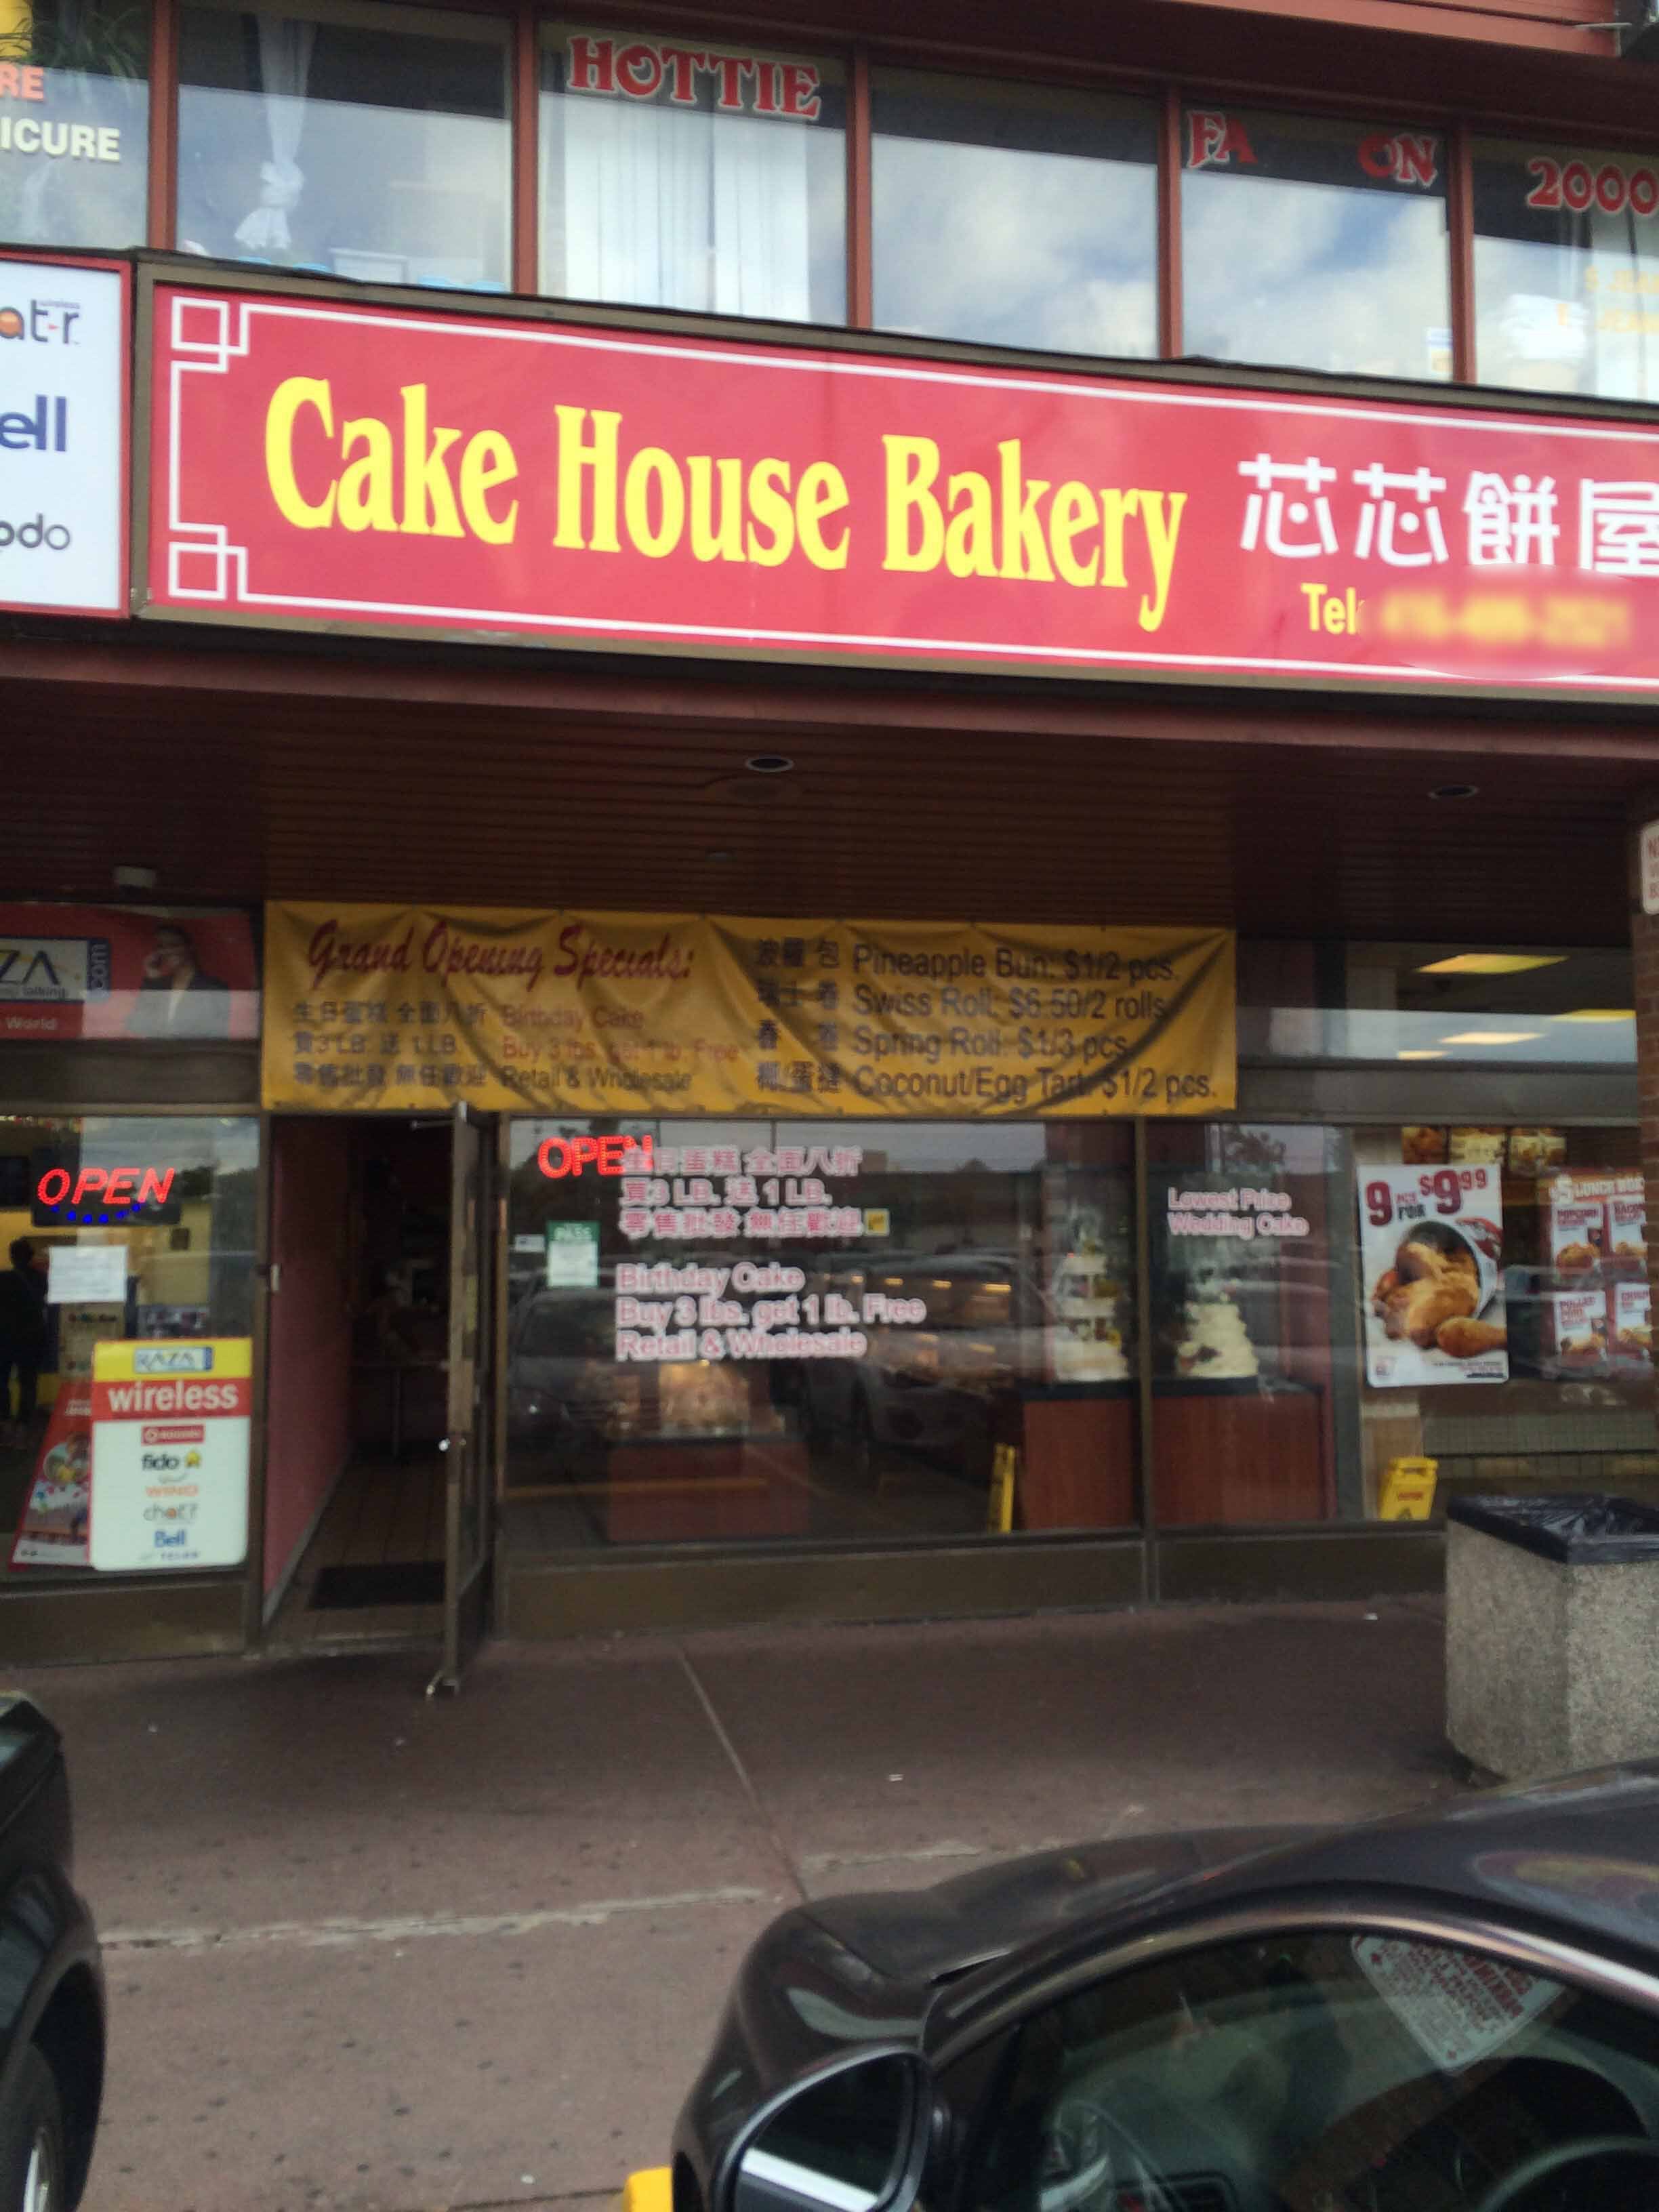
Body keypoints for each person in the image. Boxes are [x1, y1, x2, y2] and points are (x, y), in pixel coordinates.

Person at [127, 922, 231, 1039]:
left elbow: (215, 1036)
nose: (168, 950)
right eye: (161, 947)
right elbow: (137, 1026)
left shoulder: (213, 988)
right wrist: (153, 978)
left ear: (189, 947)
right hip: (157, 1055)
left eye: (174, 944)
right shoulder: (158, 985)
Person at [0, 1238, 49, 1435]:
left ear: (12, 1257)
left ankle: (4, 1421)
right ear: (30, 1257)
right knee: (28, 1382)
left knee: (1, 1381)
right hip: (32, 1338)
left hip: (4, 1338)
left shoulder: (3, 1279)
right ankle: (24, 1424)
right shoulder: (40, 1278)